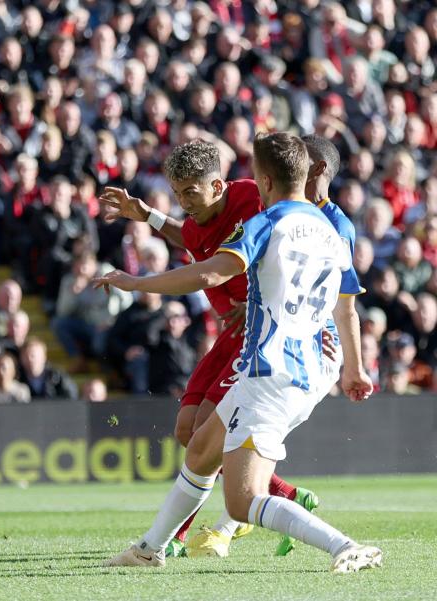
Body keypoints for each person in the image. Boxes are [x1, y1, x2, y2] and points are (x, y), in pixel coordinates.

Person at [96, 132, 379, 573]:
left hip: (270, 373)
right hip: (304, 368)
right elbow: (346, 308)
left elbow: (209, 275)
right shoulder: (332, 232)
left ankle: (345, 546)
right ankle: (149, 549)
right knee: (201, 449)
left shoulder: (264, 223)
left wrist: (137, 283)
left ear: (264, 181)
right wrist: (355, 370)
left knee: (244, 500)